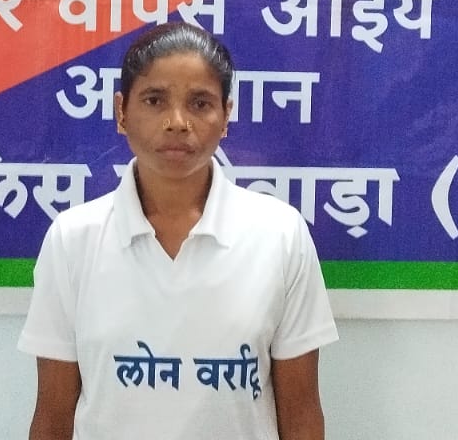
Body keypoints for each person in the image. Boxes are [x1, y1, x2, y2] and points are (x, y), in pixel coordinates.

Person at [19, 22, 338, 440]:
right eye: (154, 100)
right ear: (121, 111)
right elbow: (52, 415)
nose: (177, 122)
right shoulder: (73, 239)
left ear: (226, 116)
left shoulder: (280, 235)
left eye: (200, 103)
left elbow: (301, 414)